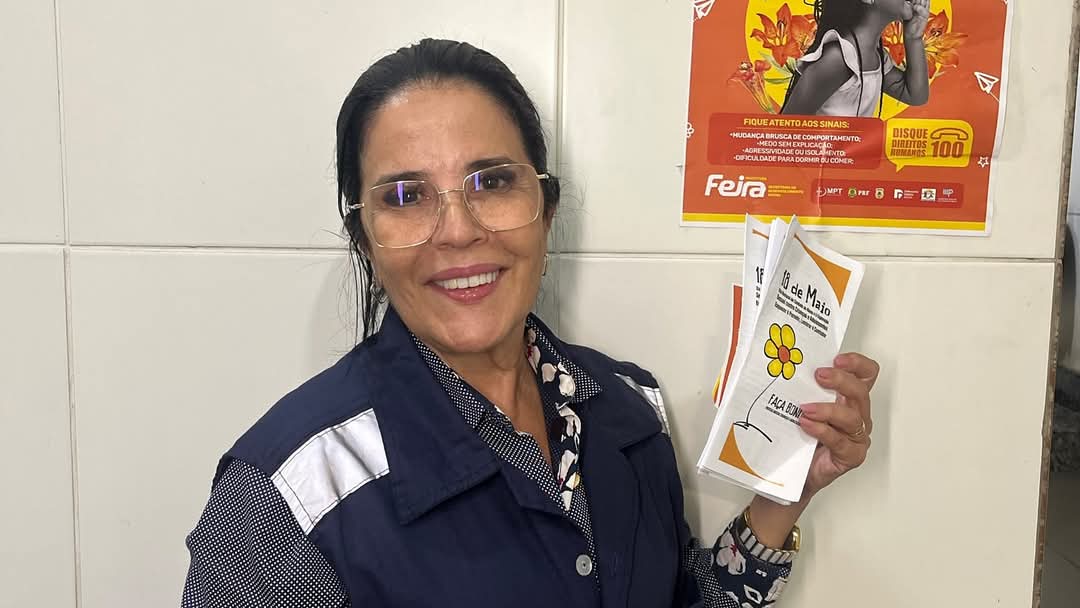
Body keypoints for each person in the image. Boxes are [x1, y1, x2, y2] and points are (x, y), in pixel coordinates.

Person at [181, 39, 880, 607]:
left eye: (491, 182)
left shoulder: (629, 408)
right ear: (365, 239)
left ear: (545, 210)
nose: (458, 231)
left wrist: (785, 490)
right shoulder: (283, 498)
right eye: (405, 196)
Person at [782, 0, 931, 116]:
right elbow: (784, 132)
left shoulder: (875, 56)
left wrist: (913, 38)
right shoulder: (837, 59)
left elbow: (914, 95)